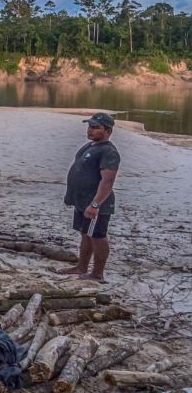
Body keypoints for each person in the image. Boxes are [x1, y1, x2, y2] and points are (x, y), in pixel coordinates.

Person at [58, 112, 121, 282]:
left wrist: (95, 204)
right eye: (89, 126)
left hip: (96, 203)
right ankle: (81, 267)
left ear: (107, 131)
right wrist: (71, 196)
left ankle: (97, 274)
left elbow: (107, 182)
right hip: (82, 201)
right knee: (85, 233)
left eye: (95, 127)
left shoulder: (109, 152)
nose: (90, 130)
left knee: (98, 237)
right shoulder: (90, 146)